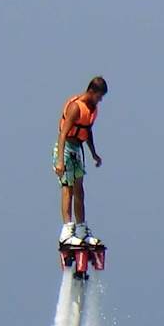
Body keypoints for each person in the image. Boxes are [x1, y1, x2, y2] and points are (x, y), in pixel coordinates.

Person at [53, 75, 106, 242]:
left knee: (79, 190)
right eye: (99, 96)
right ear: (92, 91)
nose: (100, 100)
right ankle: (67, 231)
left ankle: (81, 229)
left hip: (77, 149)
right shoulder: (76, 107)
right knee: (67, 188)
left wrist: (94, 154)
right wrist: (60, 161)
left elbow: (87, 131)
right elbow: (63, 134)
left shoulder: (92, 110)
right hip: (66, 148)